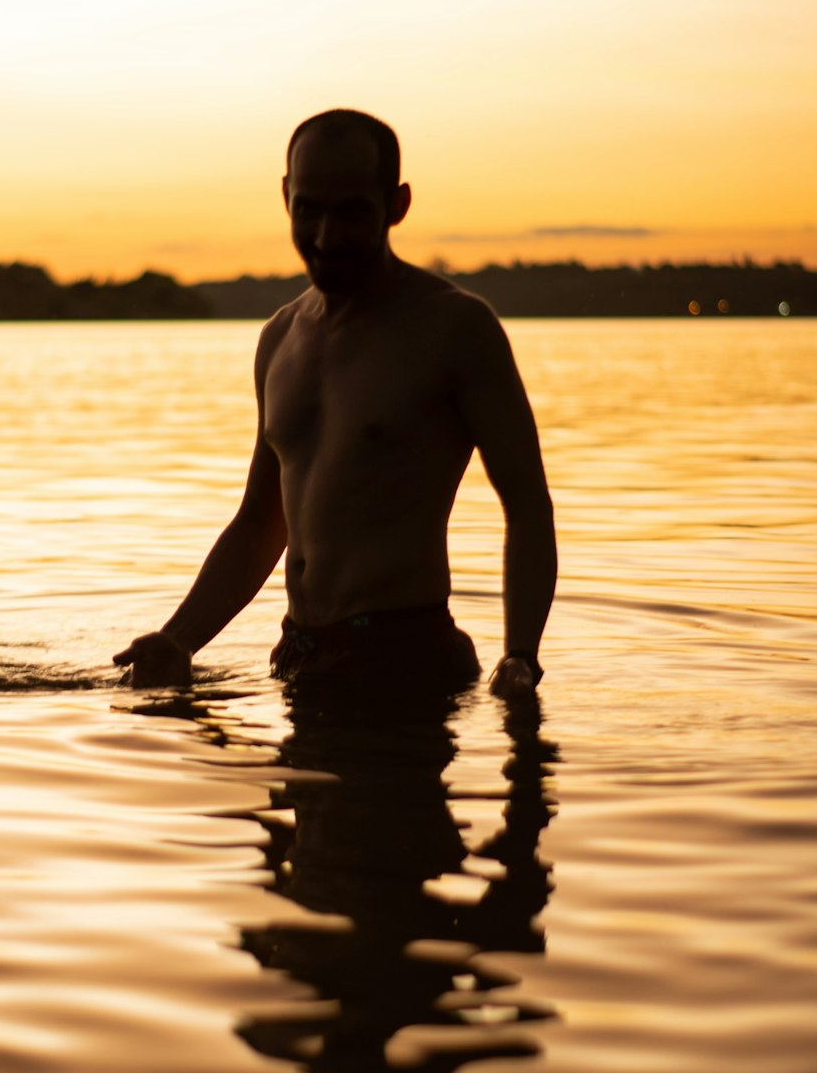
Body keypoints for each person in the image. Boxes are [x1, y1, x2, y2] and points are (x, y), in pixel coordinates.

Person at [112, 109, 556, 699]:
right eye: (309, 210)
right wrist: (178, 640)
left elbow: (526, 506)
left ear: (396, 205)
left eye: (351, 212)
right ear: (285, 198)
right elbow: (261, 522)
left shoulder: (454, 328)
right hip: (299, 658)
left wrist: (520, 657)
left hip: (409, 664)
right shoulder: (280, 338)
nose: (326, 236)